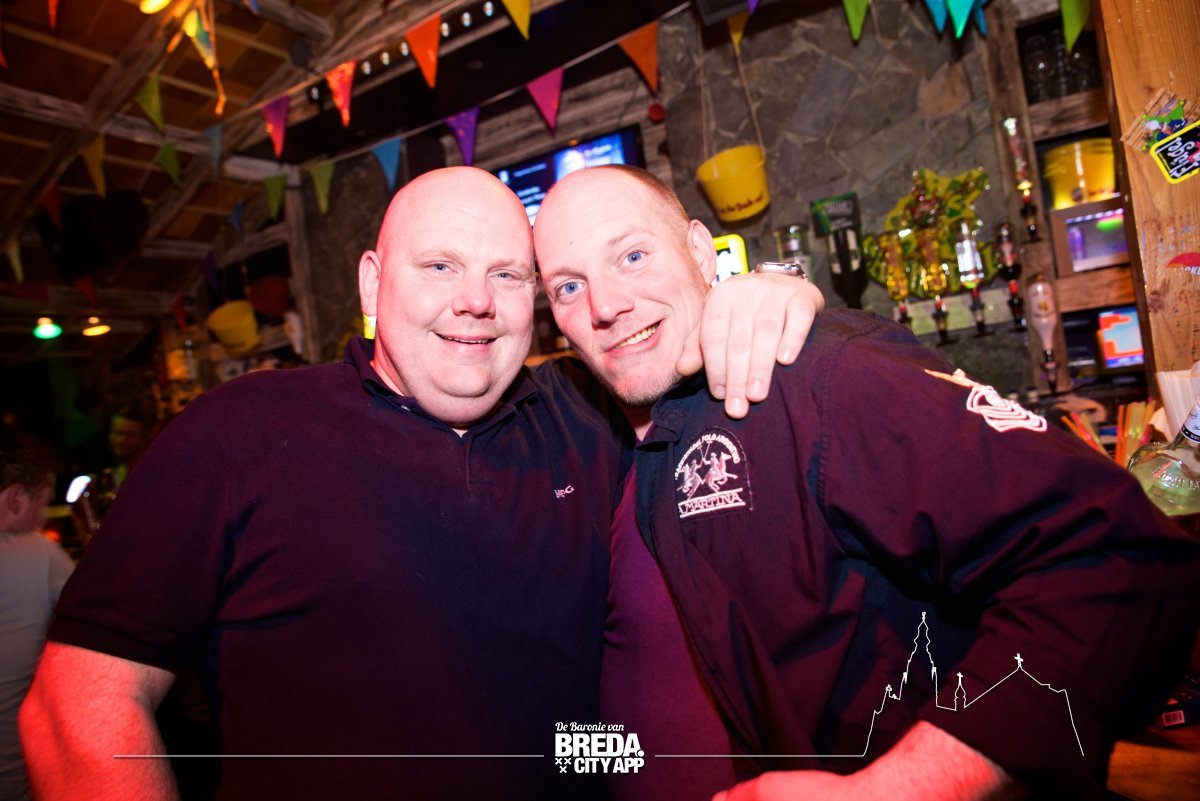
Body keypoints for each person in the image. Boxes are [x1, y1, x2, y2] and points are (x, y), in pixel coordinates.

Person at [19, 167, 824, 801]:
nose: (474, 301)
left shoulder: (587, 417)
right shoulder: (241, 430)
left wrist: (772, 292)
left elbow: (571, 718)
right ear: (373, 285)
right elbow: (77, 699)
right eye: (440, 266)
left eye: (507, 275)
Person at [532, 165, 1200, 801]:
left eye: (632, 256)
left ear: (702, 252)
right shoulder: (590, 432)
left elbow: (1121, 561)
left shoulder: (815, 375)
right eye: (567, 287)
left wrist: (903, 787)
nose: (605, 305)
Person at [0, 451, 73, 801]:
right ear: (16, 498)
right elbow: (99, 625)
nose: (43, 518)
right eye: (42, 504)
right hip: (14, 774)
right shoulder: (38, 552)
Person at [107, 409, 150, 490]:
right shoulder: (118, 469)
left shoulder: (147, 474)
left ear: (144, 438)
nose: (122, 440)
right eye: (118, 432)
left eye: (131, 435)